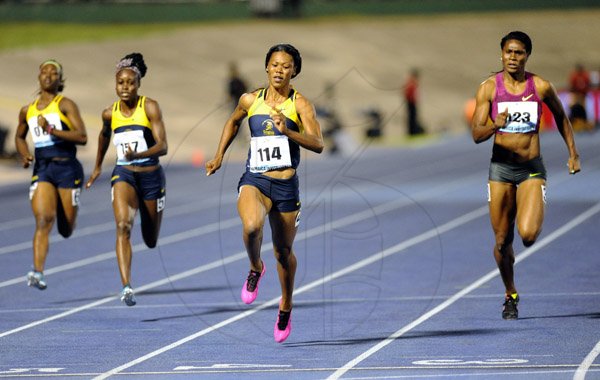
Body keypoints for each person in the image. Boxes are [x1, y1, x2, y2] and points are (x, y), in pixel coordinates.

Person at [205, 43, 323, 342]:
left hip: (286, 185)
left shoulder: (300, 104)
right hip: (255, 179)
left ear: (294, 70)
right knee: (251, 226)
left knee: (283, 253)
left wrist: (288, 132)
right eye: (274, 64)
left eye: (286, 65)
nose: (279, 70)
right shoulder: (250, 99)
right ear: (267, 67)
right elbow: (232, 122)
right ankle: (256, 266)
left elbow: (318, 143)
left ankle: (285, 305)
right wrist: (219, 155)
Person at [471, 31, 580, 320]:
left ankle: (531, 206)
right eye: (508, 52)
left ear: (527, 56)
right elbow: (476, 134)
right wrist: (496, 124)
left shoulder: (541, 86)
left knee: (528, 235)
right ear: (501, 54)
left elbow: (561, 116)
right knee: (501, 241)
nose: (513, 58)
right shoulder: (488, 89)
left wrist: (573, 152)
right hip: (501, 169)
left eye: (519, 53)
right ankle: (511, 294)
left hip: (531, 167)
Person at [86, 53, 168, 306]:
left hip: (151, 176)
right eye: (121, 82)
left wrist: (140, 153)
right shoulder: (109, 113)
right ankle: (126, 287)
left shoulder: (149, 107)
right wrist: (98, 166)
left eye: (130, 83)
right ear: (115, 84)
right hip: (124, 174)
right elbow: (103, 137)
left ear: (138, 84)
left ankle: (150, 215)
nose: (125, 87)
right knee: (123, 226)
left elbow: (163, 146)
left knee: (151, 239)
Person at [14, 59, 87, 290]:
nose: (48, 76)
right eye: (44, 72)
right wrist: (24, 153)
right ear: (38, 77)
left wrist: (51, 130)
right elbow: (19, 136)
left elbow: (82, 136)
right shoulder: (28, 110)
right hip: (43, 169)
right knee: (44, 219)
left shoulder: (65, 105)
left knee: (65, 229)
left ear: (60, 80)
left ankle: (71, 210)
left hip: (67, 168)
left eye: (53, 73)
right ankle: (37, 272)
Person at [403, 68, 424, 136]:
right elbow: (407, 93)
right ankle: (411, 133)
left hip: (413, 103)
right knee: (411, 118)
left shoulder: (413, 83)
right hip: (411, 103)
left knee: (413, 118)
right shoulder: (410, 83)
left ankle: (413, 132)